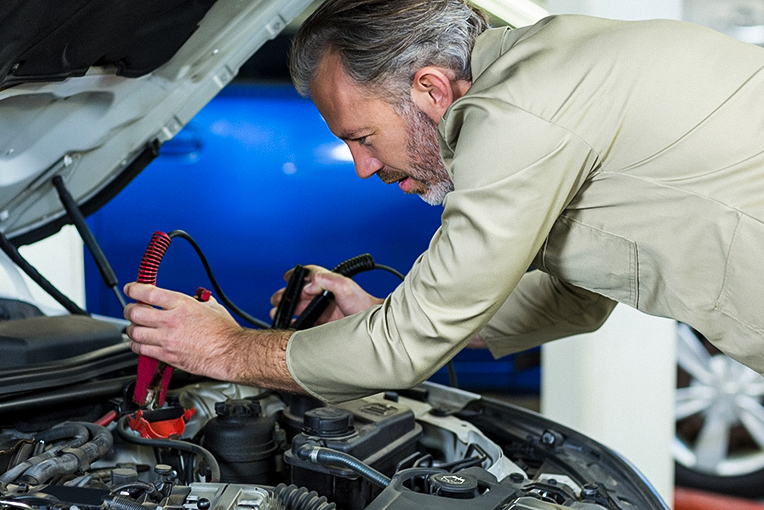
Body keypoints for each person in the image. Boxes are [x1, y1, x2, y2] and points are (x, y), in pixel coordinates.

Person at [124, 0, 764, 404]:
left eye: (362, 136)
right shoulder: (547, 71)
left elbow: (409, 346)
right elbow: (574, 293)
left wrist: (228, 350)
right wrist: (378, 314)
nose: (363, 168)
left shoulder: (517, 114)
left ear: (429, 90)